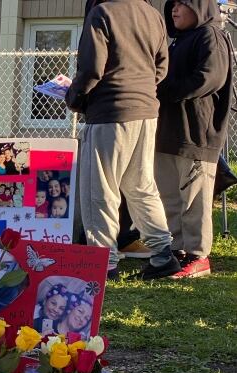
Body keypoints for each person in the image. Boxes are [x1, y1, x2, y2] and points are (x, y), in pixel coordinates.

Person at [67, 0, 180, 280]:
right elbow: (161, 66)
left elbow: (92, 69)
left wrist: (74, 97)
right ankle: (163, 255)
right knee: (142, 186)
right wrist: (140, 90)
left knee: (100, 191)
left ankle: (104, 265)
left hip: (109, 112)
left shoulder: (102, 12)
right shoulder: (152, 14)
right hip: (146, 111)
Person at [155, 0, 232, 278]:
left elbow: (209, 78)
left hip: (196, 133)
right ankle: (177, 250)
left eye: (182, 4)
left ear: (199, 8)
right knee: (170, 197)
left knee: (194, 198)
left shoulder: (210, 35)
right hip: (167, 133)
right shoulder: (176, 41)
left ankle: (198, 255)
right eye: (172, 5)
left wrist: (163, 90)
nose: (174, 10)